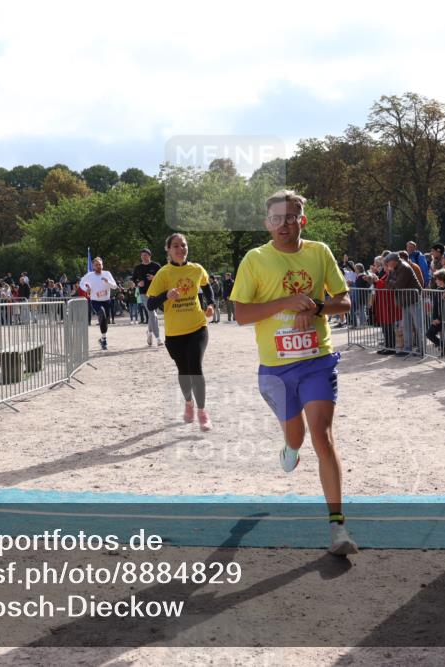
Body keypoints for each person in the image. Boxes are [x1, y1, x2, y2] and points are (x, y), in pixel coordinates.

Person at [230, 189, 358, 556]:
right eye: (277, 218)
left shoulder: (319, 253)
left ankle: (338, 529)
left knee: (323, 435)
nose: (284, 224)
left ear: (303, 219)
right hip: (276, 369)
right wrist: (285, 303)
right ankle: (289, 446)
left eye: (291, 217)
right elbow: (241, 315)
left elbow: (345, 302)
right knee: (299, 437)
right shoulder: (255, 260)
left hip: (317, 359)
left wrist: (318, 307)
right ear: (266, 223)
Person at [146, 233, 215, 431]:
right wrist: (166, 295)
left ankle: (202, 412)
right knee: (184, 371)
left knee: (195, 367)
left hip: (197, 327)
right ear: (168, 250)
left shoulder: (196, 269)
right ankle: (188, 403)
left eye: (183, 245)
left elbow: (207, 286)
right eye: (175, 246)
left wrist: (210, 304)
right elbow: (150, 304)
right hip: (175, 334)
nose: (180, 249)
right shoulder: (164, 273)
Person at [385, 252, 424, 357]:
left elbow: (399, 285)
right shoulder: (395, 268)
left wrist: (393, 282)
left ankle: (421, 349)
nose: (387, 265)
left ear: (393, 261)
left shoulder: (404, 267)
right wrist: (392, 279)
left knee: (418, 325)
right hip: (404, 300)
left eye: (387, 262)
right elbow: (387, 285)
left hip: (413, 299)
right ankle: (407, 348)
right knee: (406, 326)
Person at [79, 257, 118, 350]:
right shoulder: (89, 275)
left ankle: (102, 338)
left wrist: (107, 282)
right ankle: (104, 340)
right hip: (95, 301)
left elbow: (115, 286)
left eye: (100, 264)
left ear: (102, 265)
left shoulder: (107, 274)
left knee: (105, 321)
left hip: (106, 301)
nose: (98, 266)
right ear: (93, 266)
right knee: (102, 314)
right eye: (96, 265)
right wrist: (86, 288)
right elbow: (81, 284)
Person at [132, 248, 163, 347]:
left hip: (156, 293)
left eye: (146, 255)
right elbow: (133, 280)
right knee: (153, 314)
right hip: (144, 293)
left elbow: (163, 278)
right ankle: (158, 338)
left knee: (152, 315)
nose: (144, 257)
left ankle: (149, 332)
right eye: (142, 255)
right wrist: (137, 283)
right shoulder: (138, 268)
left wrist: (154, 278)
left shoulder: (156, 266)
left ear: (150, 255)